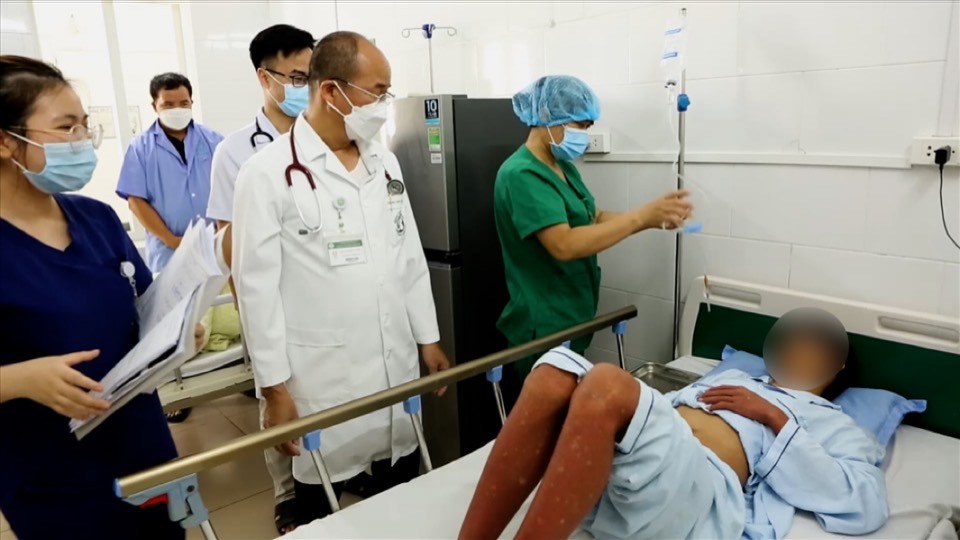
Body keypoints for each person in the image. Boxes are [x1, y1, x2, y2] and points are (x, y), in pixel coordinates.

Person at [232, 31, 451, 521]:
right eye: (377, 91)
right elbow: (256, 290)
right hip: (323, 374)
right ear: (331, 91)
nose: (384, 105)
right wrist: (274, 389)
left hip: (393, 364)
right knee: (323, 506)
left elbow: (408, 256)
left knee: (401, 494)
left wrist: (428, 338)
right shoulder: (266, 173)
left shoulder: (384, 161)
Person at [459, 307, 888, 540]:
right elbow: (656, 413)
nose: (798, 351)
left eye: (814, 348)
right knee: (553, 371)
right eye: (794, 342)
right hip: (626, 464)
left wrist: (773, 416)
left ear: (837, 365)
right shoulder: (734, 379)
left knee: (607, 383)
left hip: (698, 487)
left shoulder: (832, 420)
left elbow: (865, 502)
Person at [0, 55, 201, 540]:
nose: (82, 141)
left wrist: (178, 329)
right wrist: (19, 379)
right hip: (54, 473)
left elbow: (144, 307)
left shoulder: (98, 219)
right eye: (65, 127)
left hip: (144, 446)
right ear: (5, 141)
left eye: (84, 126)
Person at [494, 75, 694, 378]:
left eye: (588, 128)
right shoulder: (520, 174)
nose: (584, 136)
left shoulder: (562, 167)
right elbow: (564, 244)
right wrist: (641, 217)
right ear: (547, 116)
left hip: (571, 318)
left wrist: (654, 219)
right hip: (543, 325)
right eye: (580, 125)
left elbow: (595, 217)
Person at [205, 23, 315, 534]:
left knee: (321, 390)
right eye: (295, 76)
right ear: (264, 77)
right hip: (268, 295)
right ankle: (287, 494)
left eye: (311, 75)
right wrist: (248, 308)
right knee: (276, 393)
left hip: (318, 292)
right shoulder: (234, 151)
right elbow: (228, 238)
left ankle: (333, 473)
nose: (304, 87)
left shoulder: (325, 137)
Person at [117, 72, 224, 423]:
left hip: (215, 246)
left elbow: (230, 189)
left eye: (184, 103)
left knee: (224, 314)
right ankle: (176, 392)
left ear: (192, 102)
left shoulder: (213, 141)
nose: (177, 109)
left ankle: (238, 379)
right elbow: (136, 202)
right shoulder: (141, 148)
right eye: (168, 104)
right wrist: (171, 239)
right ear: (154, 106)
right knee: (175, 323)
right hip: (169, 253)